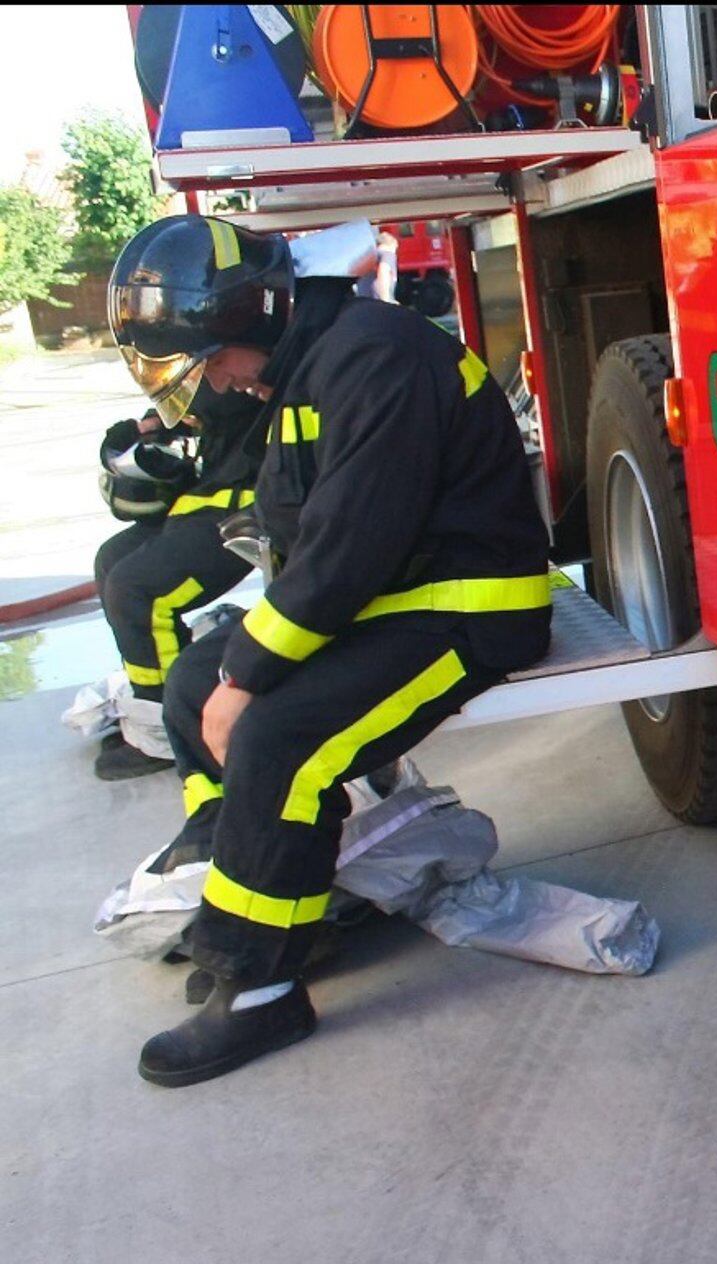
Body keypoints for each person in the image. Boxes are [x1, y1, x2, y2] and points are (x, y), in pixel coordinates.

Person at [107, 214, 552, 1086]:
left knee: (283, 741)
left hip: (466, 610)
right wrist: (228, 673)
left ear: (244, 319)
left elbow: (349, 551)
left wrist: (251, 676)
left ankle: (262, 986)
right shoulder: (311, 367)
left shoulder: (370, 356)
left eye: (209, 363)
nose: (217, 386)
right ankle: (239, 863)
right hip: (396, 599)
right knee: (194, 679)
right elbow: (308, 546)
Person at [91, 385, 265, 781]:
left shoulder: (252, 353)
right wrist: (148, 431)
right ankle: (151, 710)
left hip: (256, 499)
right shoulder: (206, 361)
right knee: (112, 561)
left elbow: (221, 399)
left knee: (138, 589)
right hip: (212, 494)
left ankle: (171, 732)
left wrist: (177, 415)